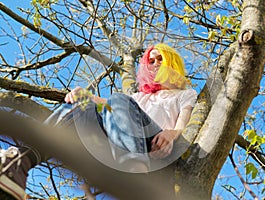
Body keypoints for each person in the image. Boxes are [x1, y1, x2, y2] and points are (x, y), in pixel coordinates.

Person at [0, 43, 197, 199]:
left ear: (172, 63)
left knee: (119, 99)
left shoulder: (183, 94)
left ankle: (136, 177)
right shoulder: (139, 98)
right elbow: (105, 103)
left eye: (159, 59)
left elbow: (184, 122)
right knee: (79, 106)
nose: (154, 64)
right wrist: (84, 95)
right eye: (150, 61)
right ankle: (19, 162)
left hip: (157, 147)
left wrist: (171, 133)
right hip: (124, 144)